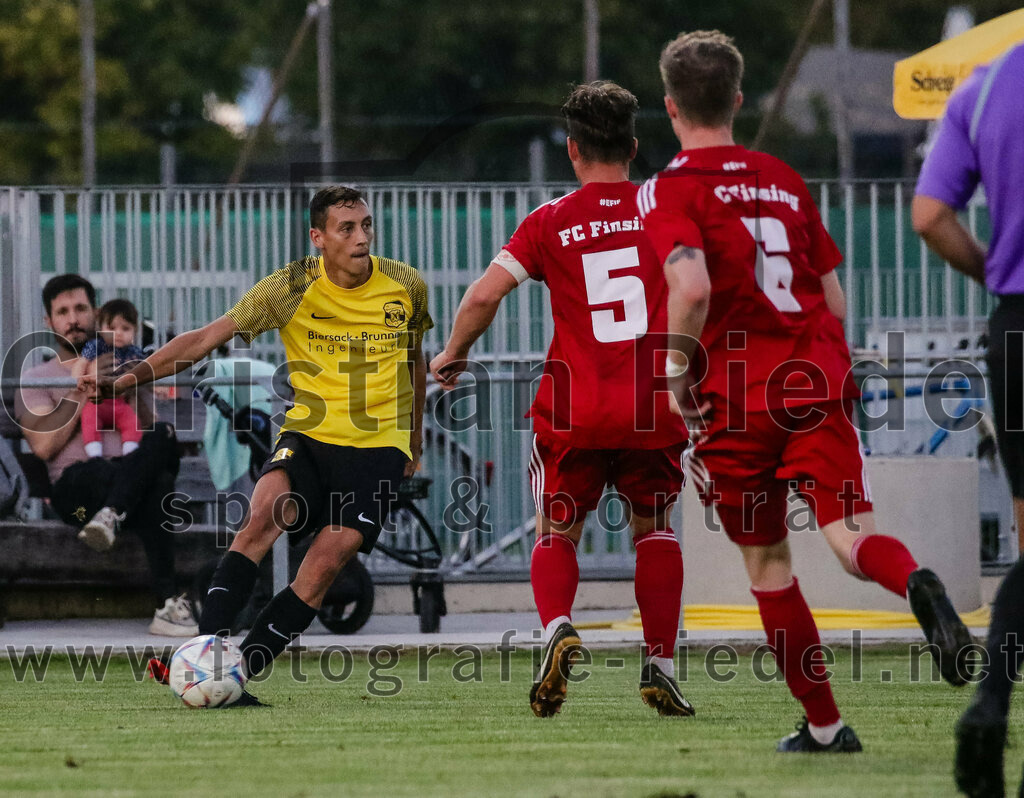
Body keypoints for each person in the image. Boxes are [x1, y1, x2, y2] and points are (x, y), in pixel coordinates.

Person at [639, 30, 971, 752]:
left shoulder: (668, 189)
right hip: (816, 379)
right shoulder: (782, 178)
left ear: (670, 107)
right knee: (851, 537)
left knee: (768, 566)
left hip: (735, 397)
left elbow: (689, 284)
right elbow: (837, 300)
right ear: (737, 97)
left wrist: (673, 374)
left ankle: (825, 726)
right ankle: (914, 579)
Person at [82, 186, 432, 704]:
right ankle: (203, 652)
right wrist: (124, 380)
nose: (362, 238)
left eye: (366, 226)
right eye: (347, 228)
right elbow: (202, 339)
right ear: (319, 238)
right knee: (262, 516)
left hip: (379, 446)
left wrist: (414, 436)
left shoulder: (405, 285)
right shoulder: (289, 287)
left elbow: (415, 360)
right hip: (308, 434)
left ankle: (237, 673)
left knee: (325, 562)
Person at [430, 81, 693, 719]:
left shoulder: (550, 221)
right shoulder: (668, 210)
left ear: (572, 151)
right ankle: (659, 663)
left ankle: (555, 631)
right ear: (633, 146)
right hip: (652, 405)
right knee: (653, 530)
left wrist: (454, 353)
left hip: (575, 406)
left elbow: (483, 297)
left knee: (556, 527)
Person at [912, 40, 1024, 798]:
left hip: (1014, 329)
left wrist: (1003, 274)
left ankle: (991, 703)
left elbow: (928, 215)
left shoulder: (984, 87)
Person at [14, 274, 197, 636]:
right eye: (63, 312)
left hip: (124, 493)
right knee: (155, 484)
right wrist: (85, 387)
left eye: (81, 308)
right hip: (77, 499)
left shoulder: (122, 363)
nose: (74, 319)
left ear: (96, 314)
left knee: (162, 442)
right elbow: (44, 447)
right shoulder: (36, 377)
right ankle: (166, 603)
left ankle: (113, 513)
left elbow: (151, 435)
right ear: (48, 323)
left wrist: (135, 382)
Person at [80, 298, 145, 458]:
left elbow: (148, 370)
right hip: (98, 401)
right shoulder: (96, 346)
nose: (119, 333)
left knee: (132, 422)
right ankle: (94, 454)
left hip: (121, 403)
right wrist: (78, 377)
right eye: (112, 328)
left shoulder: (134, 352)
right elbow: (81, 364)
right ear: (101, 328)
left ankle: (130, 454)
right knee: (89, 419)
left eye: (126, 328)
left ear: (134, 331)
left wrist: (158, 385)